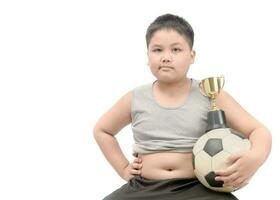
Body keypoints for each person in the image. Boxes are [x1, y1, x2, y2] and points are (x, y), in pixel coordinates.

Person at [93, 13, 272, 200]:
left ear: (192, 56)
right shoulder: (135, 98)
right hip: (144, 187)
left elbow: (258, 130)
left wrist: (256, 158)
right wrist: (123, 168)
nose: (166, 57)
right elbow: (102, 130)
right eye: (157, 50)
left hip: (198, 188)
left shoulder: (210, 94)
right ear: (147, 56)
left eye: (176, 50)